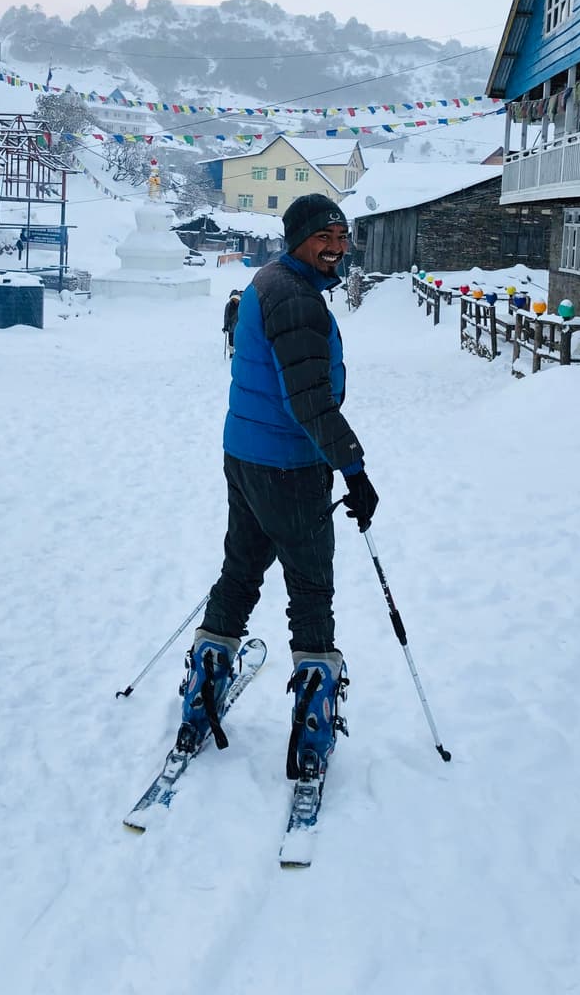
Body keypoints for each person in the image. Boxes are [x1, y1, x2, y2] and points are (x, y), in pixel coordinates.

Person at [177, 193, 380, 779]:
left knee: (240, 573)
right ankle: (313, 720)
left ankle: (203, 688)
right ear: (297, 238)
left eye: (342, 236)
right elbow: (309, 402)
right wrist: (354, 472)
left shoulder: (268, 280)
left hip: (244, 456)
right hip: (289, 467)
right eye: (325, 236)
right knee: (311, 589)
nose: (337, 246)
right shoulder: (297, 301)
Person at [222, 289, 241, 355]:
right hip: (231, 327)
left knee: (239, 341)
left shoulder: (241, 306)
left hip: (239, 327)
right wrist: (225, 326)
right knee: (231, 341)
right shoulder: (228, 306)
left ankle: (239, 353)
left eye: (237, 299)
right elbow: (226, 316)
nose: (235, 300)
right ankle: (231, 353)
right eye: (234, 299)